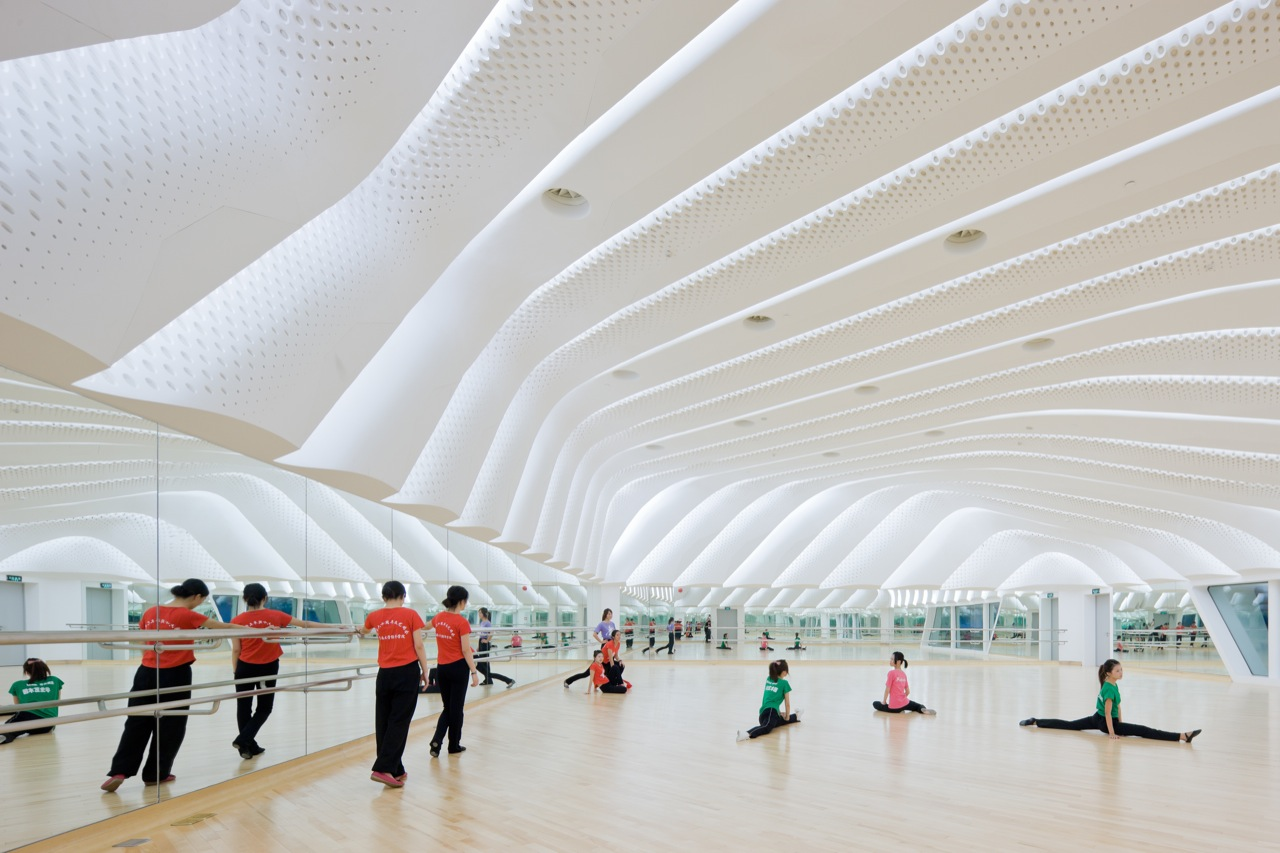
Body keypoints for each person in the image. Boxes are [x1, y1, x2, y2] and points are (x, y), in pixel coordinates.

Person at [102, 578, 242, 792]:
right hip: (176, 674)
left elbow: (142, 640)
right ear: (197, 596)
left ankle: (119, 771)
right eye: (202, 600)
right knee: (171, 724)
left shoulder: (151, 612)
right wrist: (256, 629)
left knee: (137, 721)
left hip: (146, 672)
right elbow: (225, 627)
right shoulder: (188, 615)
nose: (199, 604)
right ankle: (156, 774)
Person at [229, 583, 329, 759]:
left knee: (243, 707)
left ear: (245, 599)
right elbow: (304, 624)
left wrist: (236, 671)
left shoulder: (237, 621)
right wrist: (334, 628)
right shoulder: (275, 615)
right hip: (267, 666)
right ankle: (244, 740)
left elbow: (236, 650)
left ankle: (247, 746)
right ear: (265, 598)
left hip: (245, 667)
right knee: (264, 708)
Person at [1019, 659, 1201, 743]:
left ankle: (1036, 721)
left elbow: (1117, 707)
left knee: (1069, 725)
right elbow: (1108, 712)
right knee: (1144, 730)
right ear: (1109, 673)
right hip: (1105, 722)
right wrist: (1113, 732)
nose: (1121, 673)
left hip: (1097, 718)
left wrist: (1121, 725)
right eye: (1118, 671)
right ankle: (1181, 736)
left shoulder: (1111, 684)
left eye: (1121, 670)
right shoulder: (1109, 689)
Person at [359, 580, 431, 787]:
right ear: (403, 596)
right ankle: (383, 768)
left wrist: (358, 630)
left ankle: (395, 769)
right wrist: (425, 670)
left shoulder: (374, 616)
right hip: (406, 672)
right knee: (399, 721)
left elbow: (363, 631)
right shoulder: (410, 615)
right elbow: (418, 645)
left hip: (385, 674)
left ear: (383, 597)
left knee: (384, 721)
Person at [430, 585, 481, 758]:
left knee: (448, 708)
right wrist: (474, 672)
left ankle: (437, 741)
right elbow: (466, 650)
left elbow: (425, 626)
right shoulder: (461, 622)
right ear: (462, 601)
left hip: (442, 668)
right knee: (456, 709)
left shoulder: (439, 617)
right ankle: (453, 745)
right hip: (458, 668)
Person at [737, 660, 801, 740]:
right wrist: (787, 716)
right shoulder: (784, 683)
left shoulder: (769, 679)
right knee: (767, 727)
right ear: (784, 672)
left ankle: (796, 716)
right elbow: (787, 704)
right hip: (771, 711)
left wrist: (778, 712)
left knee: (776, 722)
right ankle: (747, 734)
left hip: (763, 713)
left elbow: (772, 696)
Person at [3, 658, 64, 744]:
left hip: (28, 719)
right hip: (48, 725)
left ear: (26, 672)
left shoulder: (17, 685)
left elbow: (18, 707)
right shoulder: (55, 680)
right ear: (45, 669)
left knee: (5, 729)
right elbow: (57, 700)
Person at [476, 608, 515, 689]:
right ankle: (488, 679)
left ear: (484, 614)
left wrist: (487, 641)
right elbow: (481, 634)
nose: (479, 614)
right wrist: (478, 646)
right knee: (484, 663)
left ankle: (489, 679)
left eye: (480, 613)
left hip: (484, 643)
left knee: (484, 662)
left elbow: (491, 632)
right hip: (481, 642)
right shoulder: (482, 622)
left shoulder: (487, 623)